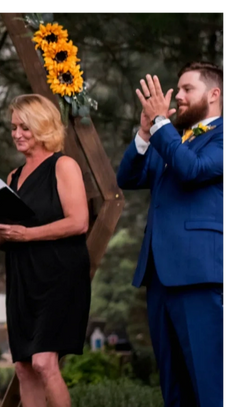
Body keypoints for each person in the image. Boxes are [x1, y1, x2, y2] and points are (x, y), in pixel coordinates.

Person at [0, 94, 90, 407]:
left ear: (44, 127)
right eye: (13, 127)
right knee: (23, 367)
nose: (17, 134)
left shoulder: (64, 166)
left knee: (44, 362)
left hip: (59, 276)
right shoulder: (13, 177)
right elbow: (14, 235)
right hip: (23, 277)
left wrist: (27, 234)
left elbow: (79, 223)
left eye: (25, 127)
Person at [117, 62, 225, 407]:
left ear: (214, 94)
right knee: (173, 388)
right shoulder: (171, 140)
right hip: (159, 277)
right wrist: (146, 132)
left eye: (186, 89)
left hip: (199, 276)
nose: (177, 97)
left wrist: (162, 124)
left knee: (209, 385)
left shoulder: (222, 138)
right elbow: (128, 178)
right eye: (176, 90)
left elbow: (191, 170)